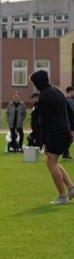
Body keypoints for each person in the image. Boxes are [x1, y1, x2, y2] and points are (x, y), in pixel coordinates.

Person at [29, 70, 74, 204]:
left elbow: (44, 121)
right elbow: (70, 111)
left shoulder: (44, 96)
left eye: (33, 83)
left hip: (56, 132)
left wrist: (42, 140)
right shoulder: (57, 91)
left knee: (50, 162)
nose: (34, 86)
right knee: (53, 161)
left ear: (38, 82)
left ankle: (62, 196)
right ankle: (71, 188)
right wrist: (72, 128)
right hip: (64, 130)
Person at [64, 86, 74, 159]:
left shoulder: (69, 100)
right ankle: (65, 153)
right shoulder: (68, 100)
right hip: (70, 122)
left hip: (68, 122)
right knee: (70, 138)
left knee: (69, 138)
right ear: (70, 91)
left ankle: (66, 153)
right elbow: (71, 113)